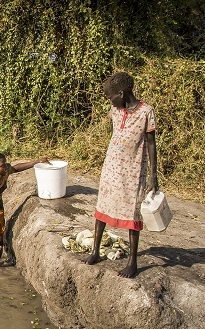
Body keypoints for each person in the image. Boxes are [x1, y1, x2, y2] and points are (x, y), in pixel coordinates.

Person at [83, 72, 158, 278]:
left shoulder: (146, 112)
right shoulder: (116, 110)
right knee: (103, 206)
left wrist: (154, 175)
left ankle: (132, 262)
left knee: (132, 213)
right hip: (111, 167)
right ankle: (95, 251)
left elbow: (151, 144)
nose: (109, 101)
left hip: (133, 170)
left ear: (122, 93)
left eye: (110, 97)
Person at [0, 152, 51, 267]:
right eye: (2, 165)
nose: (6, 167)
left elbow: (15, 168)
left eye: (5, 164)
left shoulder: (4, 171)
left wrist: (36, 162)